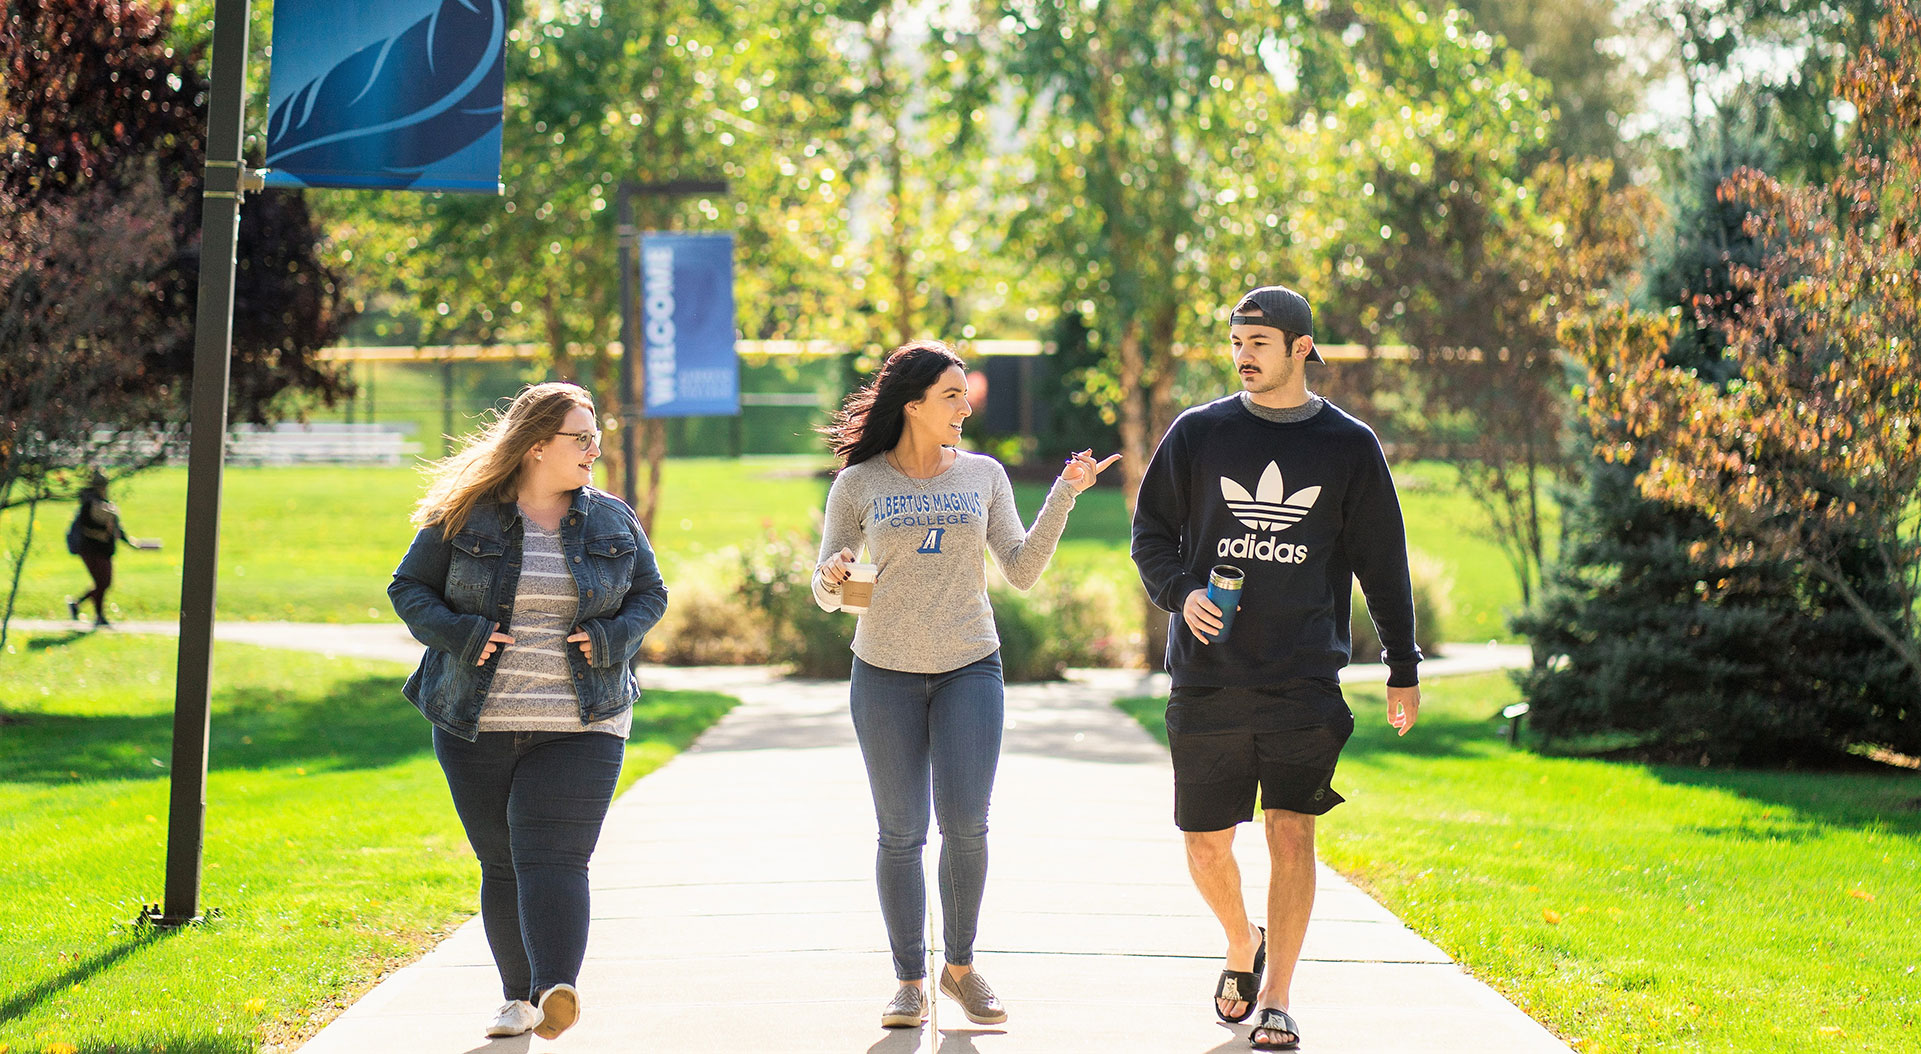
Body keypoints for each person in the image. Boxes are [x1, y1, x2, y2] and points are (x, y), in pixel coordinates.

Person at [1130, 285, 1422, 1051]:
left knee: (1292, 833)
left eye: (1258, 342)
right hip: (1207, 674)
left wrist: (1402, 663)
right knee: (1205, 843)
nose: (1243, 356)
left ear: (1301, 348)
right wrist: (1181, 592)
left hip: (1301, 676)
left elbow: (1380, 564)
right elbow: (1150, 536)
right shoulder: (1198, 435)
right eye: (1235, 343)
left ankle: (1279, 999)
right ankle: (1240, 942)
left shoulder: (1347, 446)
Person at [812, 340, 1119, 1030]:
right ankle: (908, 982)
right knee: (900, 833)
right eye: (951, 395)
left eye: (964, 394)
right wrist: (830, 579)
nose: (965, 405)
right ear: (913, 405)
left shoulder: (982, 475)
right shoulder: (859, 483)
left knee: (966, 827)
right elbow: (827, 589)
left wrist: (1065, 494)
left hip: (968, 668)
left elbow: (1020, 568)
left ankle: (960, 967)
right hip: (883, 672)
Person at [388, 382, 668, 1042]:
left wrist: (609, 639)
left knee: (556, 856)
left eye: (596, 434)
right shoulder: (465, 517)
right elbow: (409, 588)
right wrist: (461, 632)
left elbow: (650, 596)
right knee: (502, 863)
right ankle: (518, 997)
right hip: (473, 721)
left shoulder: (612, 520)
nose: (595, 448)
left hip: (584, 721)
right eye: (582, 437)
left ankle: (556, 987)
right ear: (537, 445)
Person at [66, 471, 133, 627]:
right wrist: (103, 533)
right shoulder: (89, 504)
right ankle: (98, 616)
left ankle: (77, 604)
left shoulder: (105, 503)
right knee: (102, 582)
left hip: (104, 549)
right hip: (91, 549)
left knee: (104, 583)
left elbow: (115, 527)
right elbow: (86, 528)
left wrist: (126, 540)